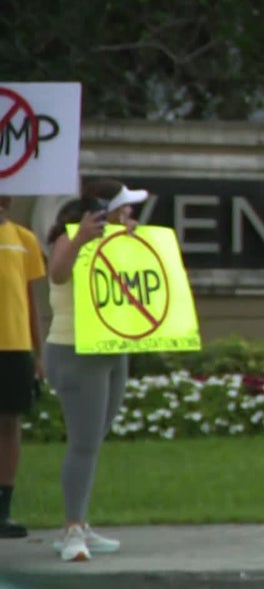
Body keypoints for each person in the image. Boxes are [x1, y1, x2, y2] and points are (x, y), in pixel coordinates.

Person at [43, 180, 144, 561]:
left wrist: (130, 242)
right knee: (84, 443)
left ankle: (79, 523)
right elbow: (57, 272)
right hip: (74, 350)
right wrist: (84, 237)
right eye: (125, 210)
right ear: (103, 212)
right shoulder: (67, 239)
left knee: (93, 440)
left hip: (112, 349)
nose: (130, 216)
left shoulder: (115, 244)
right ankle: (72, 530)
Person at [0, 195, 46, 540]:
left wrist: (39, 354)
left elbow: (29, 302)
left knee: (9, 424)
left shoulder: (23, 239)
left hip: (15, 345)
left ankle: (3, 508)